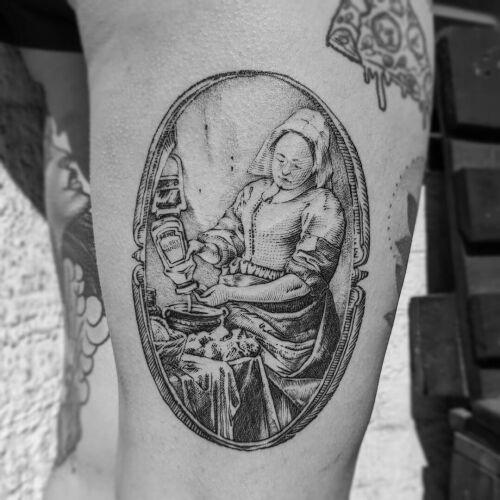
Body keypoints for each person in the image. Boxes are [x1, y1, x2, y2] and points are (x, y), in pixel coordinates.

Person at [1, 1, 433, 498]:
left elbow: (302, 283)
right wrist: (200, 261)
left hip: (291, 328)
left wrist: (228, 291)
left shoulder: (323, 208)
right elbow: (225, 236)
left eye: (299, 162)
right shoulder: (256, 193)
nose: (286, 168)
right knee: (96, 462)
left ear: (316, 165)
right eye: (281, 156)